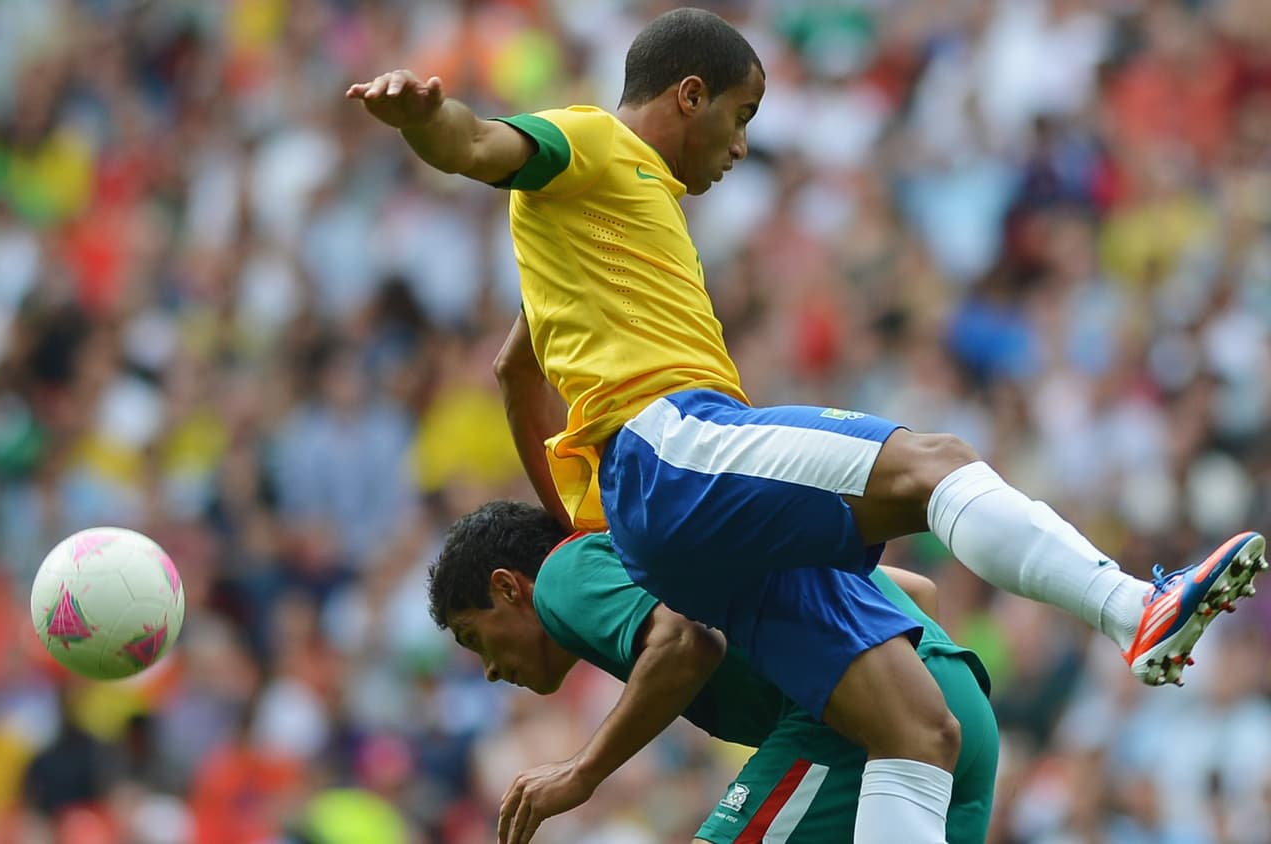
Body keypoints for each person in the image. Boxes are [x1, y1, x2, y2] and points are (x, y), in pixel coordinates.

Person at [348, 6, 1266, 840]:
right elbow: (477, 143)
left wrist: (577, 519)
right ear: (690, 95)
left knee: (915, 731)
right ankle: (1131, 610)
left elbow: (516, 366)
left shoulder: (610, 228)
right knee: (932, 462)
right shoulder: (592, 142)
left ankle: (1134, 616)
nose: (742, 146)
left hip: (681, 511)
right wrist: (425, 119)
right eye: (741, 117)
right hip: (674, 447)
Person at [427, 501, 998, 844]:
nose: (490, 670)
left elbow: (685, 645)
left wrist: (582, 772)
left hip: (860, 723)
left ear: (508, 587)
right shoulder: (645, 552)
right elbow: (918, 591)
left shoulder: (561, 574)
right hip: (962, 710)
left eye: (474, 638)